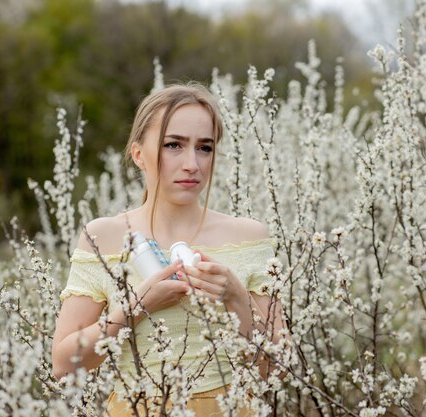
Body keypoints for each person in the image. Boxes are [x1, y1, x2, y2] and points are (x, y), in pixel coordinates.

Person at [51, 82, 286, 416]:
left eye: (205, 148)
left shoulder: (248, 236)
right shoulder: (103, 237)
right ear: (138, 154)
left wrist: (236, 300)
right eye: (173, 145)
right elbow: (64, 364)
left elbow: (278, 370)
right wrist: (137, 306)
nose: (192, 163)